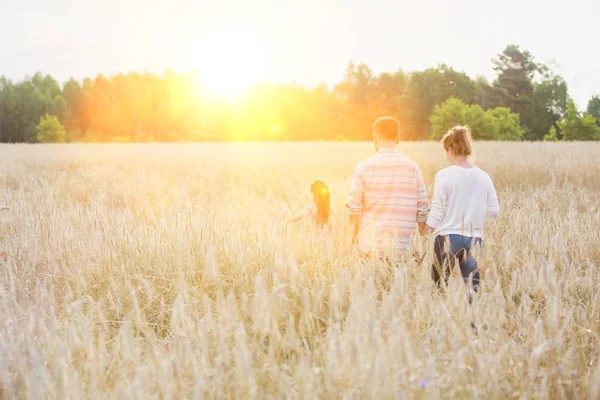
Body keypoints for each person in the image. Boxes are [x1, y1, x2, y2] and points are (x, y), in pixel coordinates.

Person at [425, 125, 499, 297]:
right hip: (474, 239)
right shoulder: (484, 176)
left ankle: (442, 320)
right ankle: (472, 323)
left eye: (446, 151)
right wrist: (473, 208)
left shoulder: (444, 175)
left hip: (448, 237)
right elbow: (494, 211)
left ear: (451, 148)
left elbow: (437, 211)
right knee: (472, 292)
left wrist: (425, 229)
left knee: (439, 289)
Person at [346, 117, 429, 260]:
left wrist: (353, 239)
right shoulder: (413, 168)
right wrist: (422, 241)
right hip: (405, 250)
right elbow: (422, 209)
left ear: (375, 137)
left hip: (370, 248)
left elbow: (354, 208)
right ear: (398, 138)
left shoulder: (363, 167)